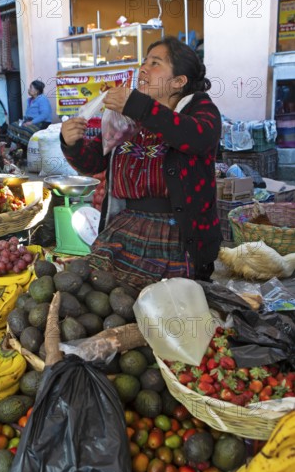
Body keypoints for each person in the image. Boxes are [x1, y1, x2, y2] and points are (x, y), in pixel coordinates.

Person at [61, 36, 222, 290]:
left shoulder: (199, 110)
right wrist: (72, 144)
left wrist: (139, 107)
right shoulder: (128, 117)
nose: (143, 69)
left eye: (155, 63)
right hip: (123, 230)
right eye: (144, 62)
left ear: (178, 82)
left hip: (175, 238)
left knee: (154, 306)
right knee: (97, 296)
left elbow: (197, 136)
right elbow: (95, 161)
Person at [7, 80, 52, 148]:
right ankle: (18, 147)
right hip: (29, 120)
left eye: (31, 88)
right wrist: (24, 121)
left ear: (36, 91)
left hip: (41, 122)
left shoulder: (42, 99)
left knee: (26, 131)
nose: (29, 89)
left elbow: (44, 115)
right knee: (12, 126)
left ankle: (27, 150)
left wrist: (31, 122)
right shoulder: (30, 100)